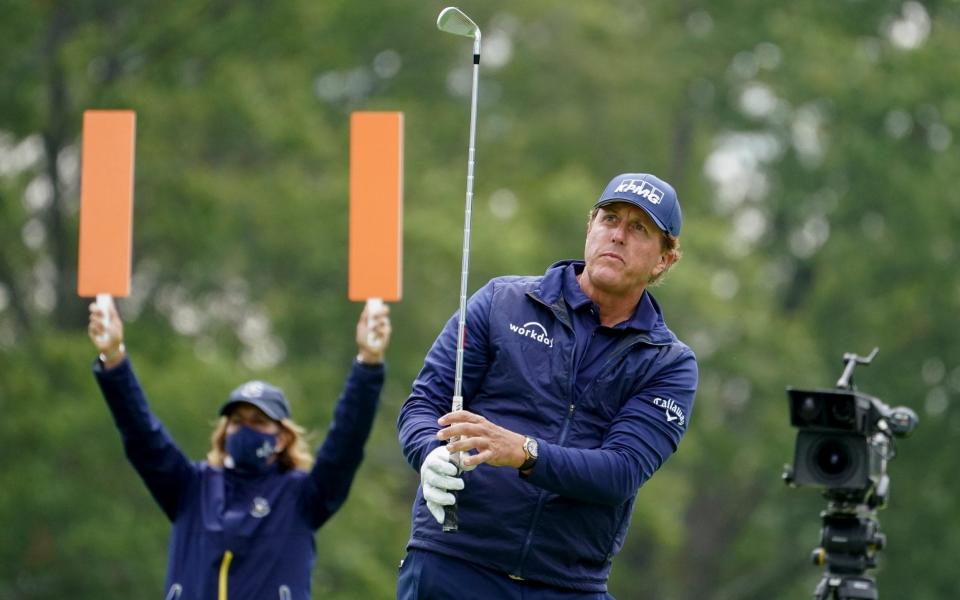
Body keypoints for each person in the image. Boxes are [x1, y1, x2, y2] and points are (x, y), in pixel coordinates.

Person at [397, 173, 698, 599]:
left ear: (664, 260)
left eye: (639, 229)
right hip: (454, 564)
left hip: (566, 584)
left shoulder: (668, 363)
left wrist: (522, 452)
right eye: (610, 219)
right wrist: (427, 452)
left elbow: (620, 471)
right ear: (589, 228)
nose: (618, 236)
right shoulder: (501, 302)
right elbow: (425, 402)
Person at [88, 299, 391, 600]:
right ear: (224, 431)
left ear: (282, 438)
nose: (245, 428)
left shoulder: (303, 496)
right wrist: (114, 359)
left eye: (258, 421)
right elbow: (142, 434)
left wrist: (368, 362)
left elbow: (345, 444)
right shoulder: (190, 488)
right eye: (236, 421)